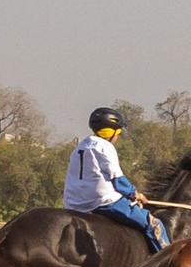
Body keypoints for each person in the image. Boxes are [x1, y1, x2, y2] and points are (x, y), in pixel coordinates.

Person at [63, 107, 166, 250]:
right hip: (103, 202)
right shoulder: (105, 147)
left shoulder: (81, 146)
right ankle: (168, 263)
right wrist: (135, 194)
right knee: (153, 224)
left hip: (74, 203)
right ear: (112, 133)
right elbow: (118, 180)